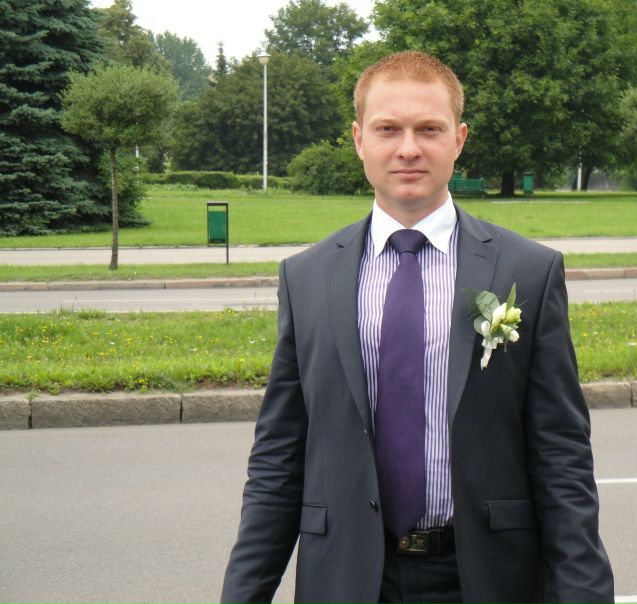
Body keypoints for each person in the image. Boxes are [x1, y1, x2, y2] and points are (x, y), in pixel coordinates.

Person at [221, 50, 614, 604]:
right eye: (388, 129)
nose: (409, 148)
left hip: (486, 578)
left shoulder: (527, 271)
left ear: (459, 139)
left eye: (429, 128)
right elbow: (278, 459)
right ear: (359, 139)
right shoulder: (307, 277)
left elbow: (562, 458)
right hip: (349, 579)